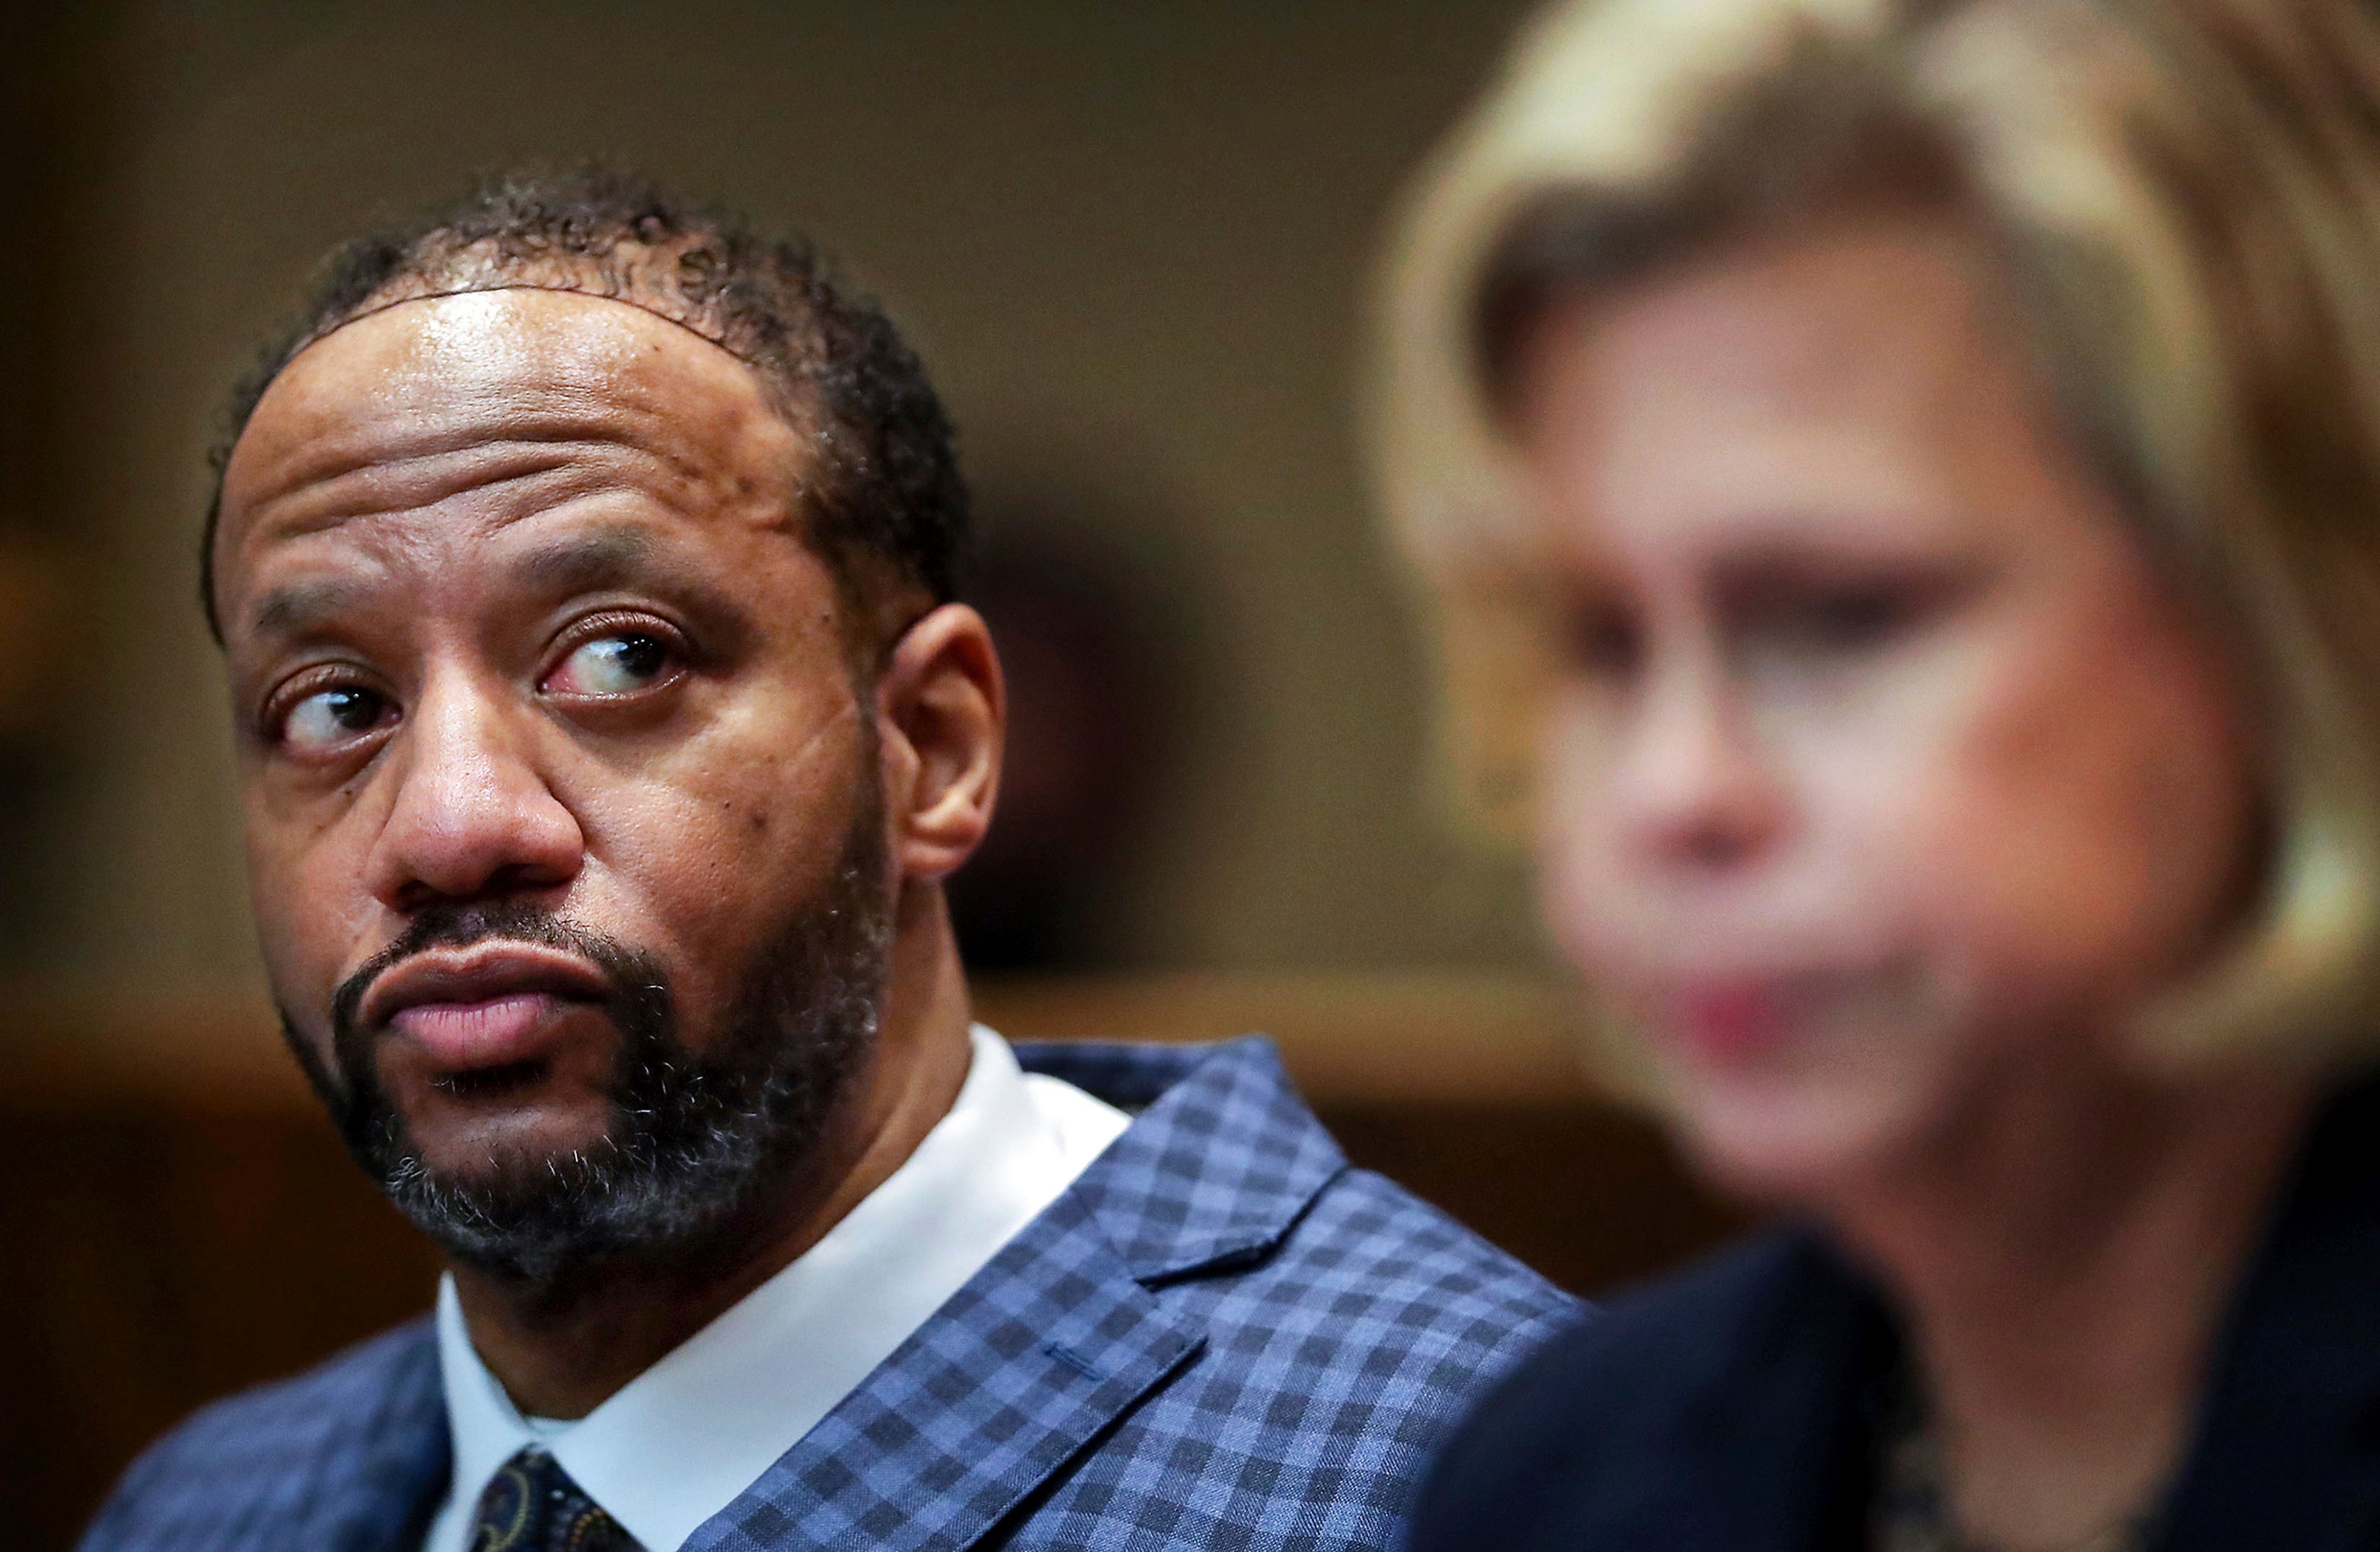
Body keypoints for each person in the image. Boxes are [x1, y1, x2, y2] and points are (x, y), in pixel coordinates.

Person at [79, 168, 1574, 1552]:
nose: (449, 826)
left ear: (930, 746)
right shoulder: (205, 1508)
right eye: (335, 705)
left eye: (618, 656)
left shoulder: (1482, 1474)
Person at [1372, 0, 2380, 1547]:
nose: (1670, 790)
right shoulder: (1557, 1473)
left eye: (1841, 615)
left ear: (2289, 607)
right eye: (1600, 641)